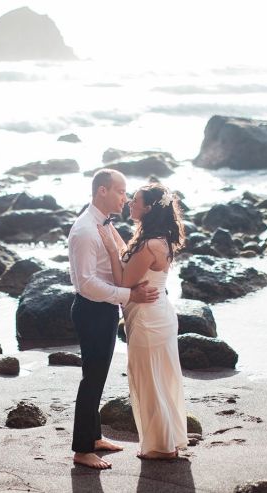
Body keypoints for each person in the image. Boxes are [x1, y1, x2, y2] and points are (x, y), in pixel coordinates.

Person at [68, 168, 160, 470]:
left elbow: (121, 257)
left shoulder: (105, 224)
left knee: (98, 375)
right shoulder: (85, 230)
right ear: (102, 191)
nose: (125, 197)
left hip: (104, 309)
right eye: (121, 191)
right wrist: (128, 295)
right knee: (91, 378)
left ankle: (94, 437)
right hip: (91, 309)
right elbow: (86, 283)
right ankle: (82, 449)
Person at [97, 182, 187, 460]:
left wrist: (111, 251)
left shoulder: (149, 245)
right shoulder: (159, 239)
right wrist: (109, 229)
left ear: (148, 208)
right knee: (160, 379)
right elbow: (132, 261)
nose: (129, 204)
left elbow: (124, 281)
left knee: (149, 381)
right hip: (157, 315)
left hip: (149, 319)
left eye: (135, 201)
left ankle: (161, 447)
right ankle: (168, 440)